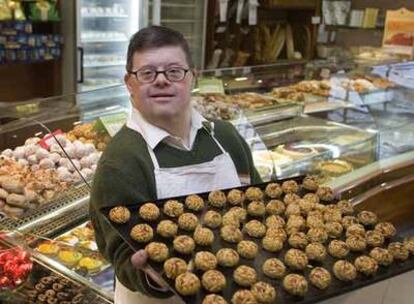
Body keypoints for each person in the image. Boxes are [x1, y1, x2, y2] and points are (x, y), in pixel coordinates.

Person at [89, 25, 261, 304]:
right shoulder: (120, 160)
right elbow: (119, 253)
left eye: (174, 71)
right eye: (147, 73)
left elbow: (255, 201)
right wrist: (150, 274)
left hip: (236, 290)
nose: (161, 81)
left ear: (192, 77)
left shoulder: (226, 137)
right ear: (129, 83)